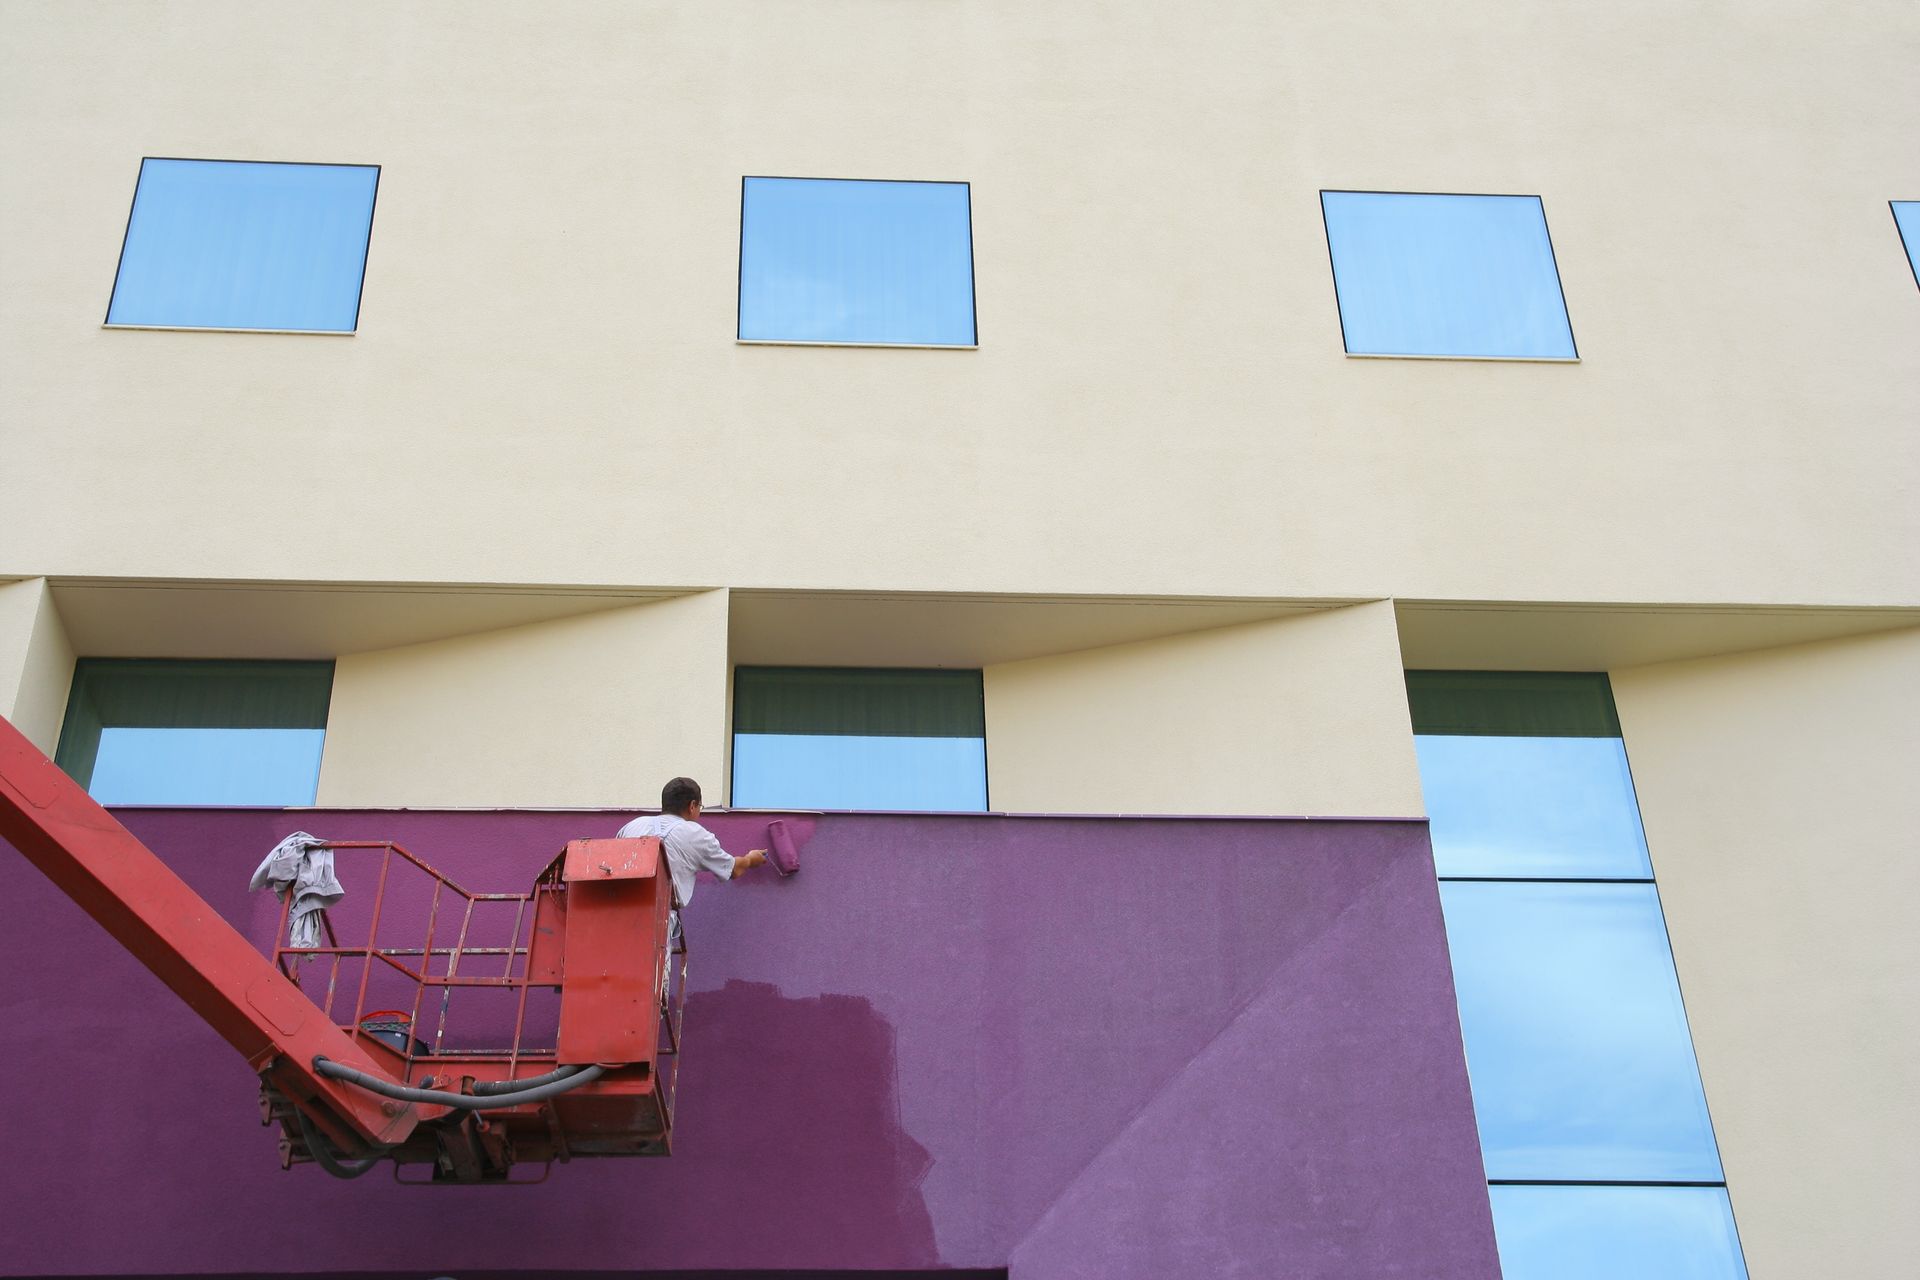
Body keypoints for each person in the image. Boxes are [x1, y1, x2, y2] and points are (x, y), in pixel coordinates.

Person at [616, 777, 765, 986]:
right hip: (657, 920)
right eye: (700, 807)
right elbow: (733, 869)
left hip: (616, 916)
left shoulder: (632, 827)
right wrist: (751, 859)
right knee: (653, 991)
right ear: (692, 805)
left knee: (615, 984)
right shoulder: (695, 834)